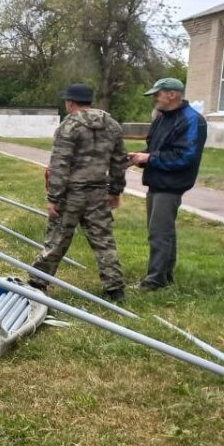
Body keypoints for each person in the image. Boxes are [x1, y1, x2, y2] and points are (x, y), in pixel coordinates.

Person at [28, 84, 128, 302]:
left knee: (57, 239)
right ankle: (114, 288)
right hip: (98, 193)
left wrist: (53, 197)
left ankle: (38, 281)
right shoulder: (112, 125)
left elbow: (60, 164)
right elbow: (120, 160)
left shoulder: (69, 126)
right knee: (103, 240)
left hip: (70, 194)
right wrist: (115, 190)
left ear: (70, 102)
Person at [129, 77, 208, 292]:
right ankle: (165, 276)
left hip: (171, 185)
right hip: (157, 181)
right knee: (164, 231)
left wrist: (150, 159)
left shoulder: (192, 120)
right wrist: (140, 156)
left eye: (157, 94)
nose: (154, 98)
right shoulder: (162, 117)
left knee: (159, 233)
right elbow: (155, 147)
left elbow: (185, 156)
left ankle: (154, 281)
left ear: (172, 94)